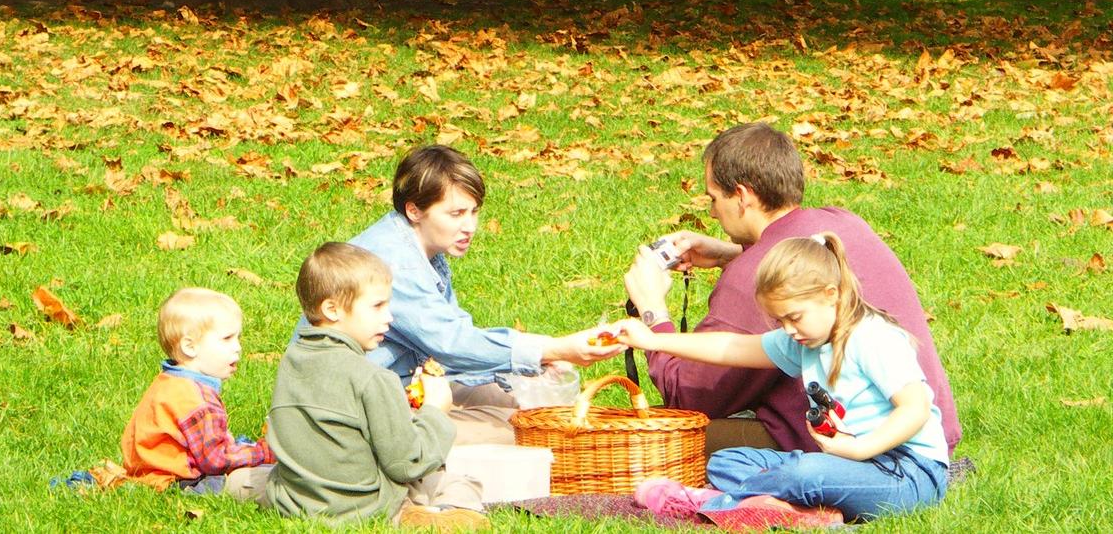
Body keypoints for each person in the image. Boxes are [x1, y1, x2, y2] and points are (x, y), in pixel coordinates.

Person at [623, 122, 961, 457]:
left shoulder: (749, 279)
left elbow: (690, 398)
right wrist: (732, 253)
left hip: (868, 448)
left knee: (659, 444)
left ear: (741, 196)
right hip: (928, 433)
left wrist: (654, 311)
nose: (712, 213)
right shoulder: (840, 223)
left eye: (713, 199)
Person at [614, 232, 949, 521]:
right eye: (780, 321)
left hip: (908, 472)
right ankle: (796, 513)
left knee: (805, 474)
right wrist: (653, 339)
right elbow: (732, 347)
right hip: (847, 466)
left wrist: (859, 449)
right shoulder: (808, 338)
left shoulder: (870, 337)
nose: (789, 330)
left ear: (830, 294)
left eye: (794, 317)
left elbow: (915, 408)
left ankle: (705, 504)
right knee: (725, 461)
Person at [347, 145, 623, 444]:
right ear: (414, 210)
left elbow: (451, 345)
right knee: (522, 430)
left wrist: (534, 363)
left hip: (409, 382)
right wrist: (550, 349)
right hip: (361, 412)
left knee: (527, 402)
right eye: (456, 214)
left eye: (474, 211)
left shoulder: (424, 247)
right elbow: (452, 344)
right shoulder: (392, 262)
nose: (470, 226)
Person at [261, 242, 487, 529]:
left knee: (247, 481)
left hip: (299, 500)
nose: (389, 317)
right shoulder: (374, 378)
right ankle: (434, 514)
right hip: (367, 504)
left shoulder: (291, 362)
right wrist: (434, 411)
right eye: (377, 306)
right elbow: (407, 462)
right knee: (460, 483)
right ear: (332, 309)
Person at [120, 287, 274, 496]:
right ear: (190, 347)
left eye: (238, 338)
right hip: (175, 482)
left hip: (148, 473)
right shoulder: (196, 400)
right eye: (227, 338)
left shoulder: (169, 381)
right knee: (261, 480)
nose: (237, 347)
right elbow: (216, 460)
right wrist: (265, 452)